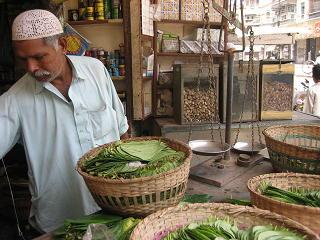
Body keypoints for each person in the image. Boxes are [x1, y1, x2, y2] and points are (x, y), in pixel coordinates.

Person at [0, 9, 129, 233]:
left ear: (62, 44)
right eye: (23, 59)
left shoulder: (96, 71)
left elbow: (122, 132)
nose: (31, 68)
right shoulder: (14, 100)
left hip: (115, 214)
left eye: (39, 57)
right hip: (61, 226)